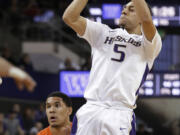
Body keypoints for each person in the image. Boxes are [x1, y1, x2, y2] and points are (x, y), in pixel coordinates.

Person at [63, 0, 162, 134]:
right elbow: (70, 17)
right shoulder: (103, 32)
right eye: (124, 8)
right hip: (91, 108)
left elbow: (147, 19)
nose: (124, 11)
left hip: (119, 113)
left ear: (141, 18)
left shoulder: (149, 45)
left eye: (131, 9)